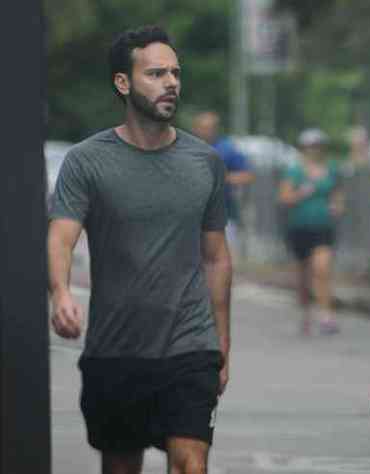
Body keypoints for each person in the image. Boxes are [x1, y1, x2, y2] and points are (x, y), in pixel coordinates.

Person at [48, 26, 231, 474]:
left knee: (192, 463)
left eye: (175, 73)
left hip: (190, 347)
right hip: (116, 351)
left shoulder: (204, 161)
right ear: (123, 83)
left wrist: (222, 345)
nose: (171, 82)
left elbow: (216, 258)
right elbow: (61, 236)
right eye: (156, 73)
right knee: (120, 465)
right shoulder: (87, 161)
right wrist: (61, 293)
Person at [278, 128, 344, 335]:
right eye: (310, 147)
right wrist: (300, 193)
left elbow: (338, 195)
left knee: (321, 269)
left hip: (323, 228)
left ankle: (326, 315)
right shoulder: (294, 171)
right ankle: (305, 313)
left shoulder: (332, 169)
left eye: (318, 146)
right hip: (299, 228)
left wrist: (337, 207)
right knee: (303, 276)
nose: (314, 150)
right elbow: (284, 198)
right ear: (303, 149)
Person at [192, 111, 255, 252]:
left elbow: (248, 175)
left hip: (224, 216)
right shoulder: (186, 147)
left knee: (221, 256)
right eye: (202, 127)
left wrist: (222, 177)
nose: (206, 131)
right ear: (195, 128)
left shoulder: (227, 148)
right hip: (193, 216)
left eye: (210, 127)